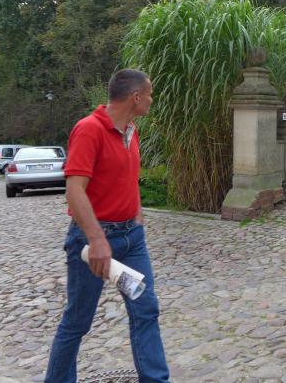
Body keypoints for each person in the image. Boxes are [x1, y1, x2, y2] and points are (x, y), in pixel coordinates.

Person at [45, 69, 170, 383]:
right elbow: (74, 190)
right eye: (149, 95)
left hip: (131, 240)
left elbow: (128, 178)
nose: (151, 101)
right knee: (78, 321)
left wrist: (136, 214)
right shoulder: (89, 129)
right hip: (92, 244)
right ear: (136, 97)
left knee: (145, 309)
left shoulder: (131, 131)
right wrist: (97, 239)